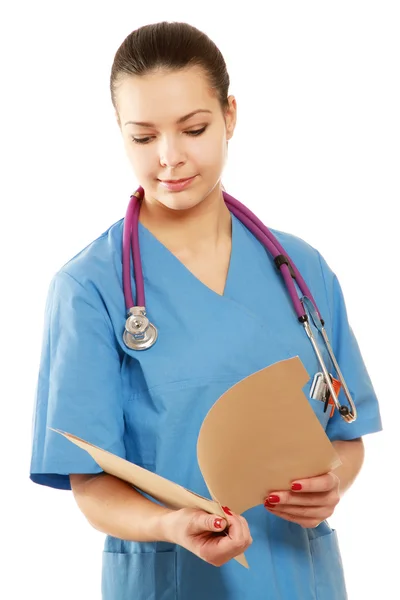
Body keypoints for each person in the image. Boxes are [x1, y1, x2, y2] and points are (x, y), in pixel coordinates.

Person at [29, 21, 382, 600]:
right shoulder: (88, 287)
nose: (169, 158)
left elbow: (345, 435)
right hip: (171, 582)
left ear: (230, 116)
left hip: (302, 578)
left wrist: (333, 482)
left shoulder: (301, 269)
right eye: (143, 138)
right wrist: (171, 525)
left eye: (193, 129)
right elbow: (89, 481)